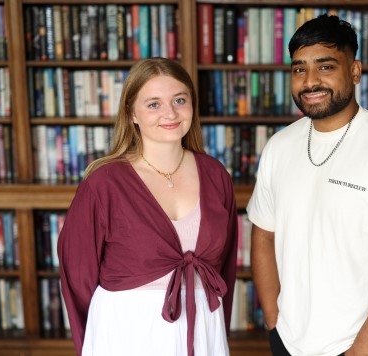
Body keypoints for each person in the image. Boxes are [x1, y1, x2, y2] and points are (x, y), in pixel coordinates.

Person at [247, 14, 368, 356]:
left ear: (355, 71)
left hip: (366, 348)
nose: (310, 81)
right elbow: (263, 235)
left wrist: (359, 353)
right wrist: (274, 324)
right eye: (299, 69)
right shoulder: (279, 146)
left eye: (326, 66)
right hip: (289, 342)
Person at [57, 58, 238, 356]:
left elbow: (225, 269)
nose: (170, 113)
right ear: (132, 114)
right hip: (127, 333)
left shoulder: (216, 175)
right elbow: (78, 277)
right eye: (154, 104)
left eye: (179, 100)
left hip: (203, 326)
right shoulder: (103, 183)